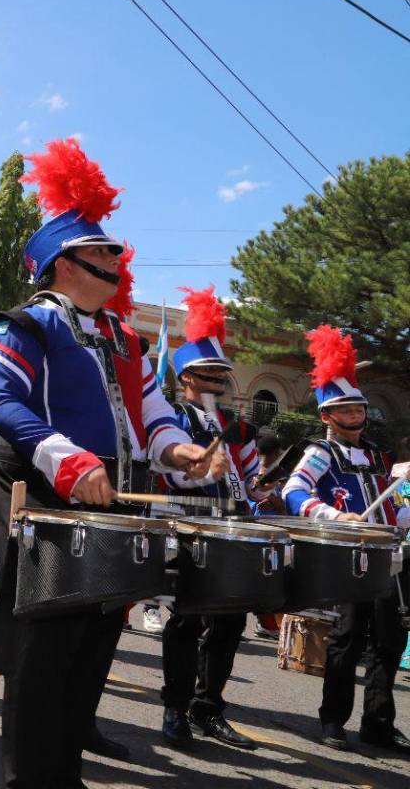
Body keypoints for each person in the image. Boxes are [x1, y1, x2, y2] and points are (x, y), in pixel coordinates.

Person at [0, 138, 210, 787]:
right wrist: (67, 459)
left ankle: (65, 766)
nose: (118, 259)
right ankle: (30, 774)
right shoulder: (24, 324)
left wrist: (179, 450)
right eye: (106, 250)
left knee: (98, 627)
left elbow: (152, 413)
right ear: (66, 261)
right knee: (44, 635)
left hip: (110, 488)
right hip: (41, 478)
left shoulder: (123, 336)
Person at [282, 325, 410, 754]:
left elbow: (391, 505)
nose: (355, 417)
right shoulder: (321, 451)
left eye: (358, 410)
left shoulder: (379, 454)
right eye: (346, 411)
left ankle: (378, 722)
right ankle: (333, 719)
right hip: (348, 554)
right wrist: (337, 517)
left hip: (388, 554)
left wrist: (406, 517)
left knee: (390, 640)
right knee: (347, 639)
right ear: (327, 415)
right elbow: (294, 491)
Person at [157, 286, 269, 751]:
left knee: (229, 622)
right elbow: (168, 471)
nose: (217, 382)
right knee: (188, 620)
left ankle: (208, 707)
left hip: (231, 528)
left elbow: (246, 475)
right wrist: (200, 469)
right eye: (209, 375)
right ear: (187, 376)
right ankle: (175, 706)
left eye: (221, 375)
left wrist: (260, 488)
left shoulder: (234, 426)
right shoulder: (172, 414)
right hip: (190, 524)